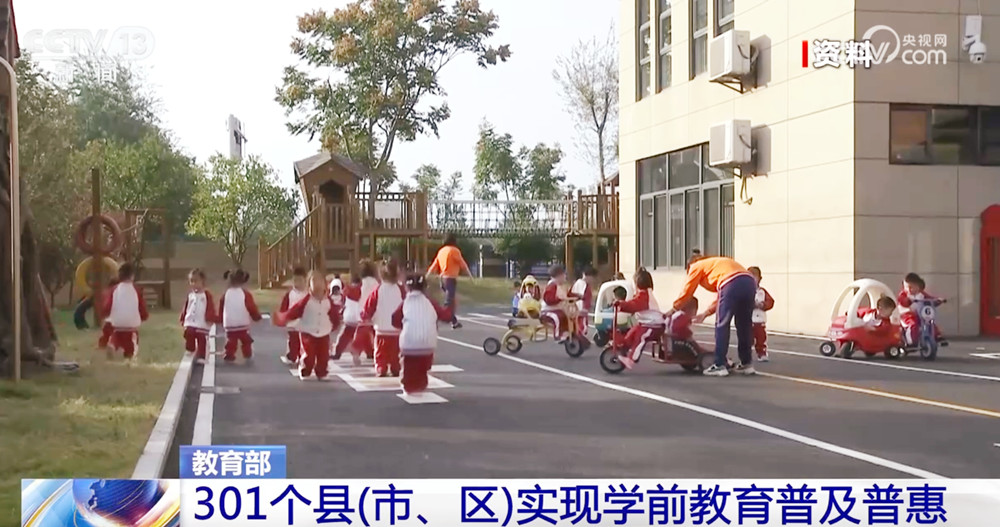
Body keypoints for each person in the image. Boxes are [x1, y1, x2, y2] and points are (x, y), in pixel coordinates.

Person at [670, 255, 756, 377]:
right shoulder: (717, 265)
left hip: (731, 283)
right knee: (744, 325)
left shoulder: (696, 265)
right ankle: (747, 363)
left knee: (722, 324)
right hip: (749, 282)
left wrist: (674, 308)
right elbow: (721, 297)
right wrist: (705, 314)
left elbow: (687, 291)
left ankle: (719, 364)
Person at [392, 273, 453, 395]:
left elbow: (395, 319)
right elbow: (446, 316)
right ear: (425, 287)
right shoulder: (430, 302)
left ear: (406, 287)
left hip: (409, 344)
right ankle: (421, 384)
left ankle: (408, 386)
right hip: (428, 345)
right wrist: (450, 304)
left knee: (408, 367)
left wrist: (403, 326)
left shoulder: (405, 303)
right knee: (422, 367)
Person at [278, 270, 342, 381]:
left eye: (320, 281)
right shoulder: (306, 300)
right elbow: (295, 311)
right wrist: (284, 318)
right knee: (309, 354)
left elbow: (334, 314)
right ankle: (305, 370)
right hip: (308, 332)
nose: (317, 284)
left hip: (323, 332)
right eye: (314, 281)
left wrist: (335, 325)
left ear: (325, 285)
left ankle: (322, 372)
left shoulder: (328, 301)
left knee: (323, 355)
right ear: (309, 286)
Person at [361, 260, 406, 377]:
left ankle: (381, 367)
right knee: (395, 351)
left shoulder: (378, 290)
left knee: (381, 351)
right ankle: (395, 367)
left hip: (381, 328)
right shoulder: (401, 290)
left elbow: (370, 305)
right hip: (397, 329)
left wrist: (365, 315)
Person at [612, 268, 664, 369]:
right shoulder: (644, 294)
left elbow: (634, 305)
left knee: (640, 338)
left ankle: (632, 359)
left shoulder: (644, 296)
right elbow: (633, 303)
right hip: (646, 323)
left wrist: (621, 304)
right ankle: (624, 345)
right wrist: (622, 304)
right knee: (633, 331)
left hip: (654, 325)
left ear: (637, 284)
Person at [102, 263, 149, 364]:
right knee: (132, 341)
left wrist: (105, 314)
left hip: (117, 323)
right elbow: (141, 306)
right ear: (132, 276)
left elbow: (107, 306)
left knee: (116, 337)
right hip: (131, 325)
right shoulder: (136, 290)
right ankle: (129, 354)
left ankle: (112, 345)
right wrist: (144, 316)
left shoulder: (114, 289)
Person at [427, 233, 473, 329]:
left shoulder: (441, 251)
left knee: (453, 301)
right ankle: (436, 318)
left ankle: (454, 321)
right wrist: (470, 275)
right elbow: (462, 264)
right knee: (448, 303)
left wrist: (427, 274)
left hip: (442, 279)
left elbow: (434, 264)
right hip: (450, 279)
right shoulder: (454, 250)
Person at [219, 269, 262, 363]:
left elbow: (221, 308)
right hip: (243, 322)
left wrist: (220, 319)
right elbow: (251, 307)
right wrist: (256, 317)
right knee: (246, 340)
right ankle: (247, 354)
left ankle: (229, 354)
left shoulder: (225, 294)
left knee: (231, 340)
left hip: (229, 323)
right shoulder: (245, 294)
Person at [897, 272, 946, 347]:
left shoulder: (921, 294)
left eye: (911, 287)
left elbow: (929, 299)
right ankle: (911, 342)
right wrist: (908, 301)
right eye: (906, 287)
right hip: (907, 315)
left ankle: (937, 336)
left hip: (920, 314)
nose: (909, 289)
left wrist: (937, 300)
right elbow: (902, 300)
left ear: (918, 286)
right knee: (912, 325)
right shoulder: (904, 294)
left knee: (929, 322)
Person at [180, 268, 217, 364]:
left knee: (202, 339)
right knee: (188, 333)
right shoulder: (190, 295)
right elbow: (186, 307)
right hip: (190, 321)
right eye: (191, 281)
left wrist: (210, 317)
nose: (193, 284)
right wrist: (183, 318)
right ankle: (190, 349)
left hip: (202, 322)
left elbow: (210, 307)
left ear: (202, 281)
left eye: (196, 281)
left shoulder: (206, 295)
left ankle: (202, 356)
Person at [277, 267, 309, 366]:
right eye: (295, 280)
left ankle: (303, 357)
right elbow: (284, 307)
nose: (297, 283)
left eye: (300, 280)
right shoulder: (290, 294)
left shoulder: (308, 294)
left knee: (305, 342)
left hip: (305, 323)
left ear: (305, 280)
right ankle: (292, 356)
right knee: (293, 341)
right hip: (292, 323)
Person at [541, 264, 579, 343]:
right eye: (563, 275)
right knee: (557, 317)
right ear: (559, 276)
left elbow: (567, 294)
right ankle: (558, 335)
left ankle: (569, 333)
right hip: (548, 311)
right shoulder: (552, 286)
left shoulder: (560, 286)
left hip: (558, 309)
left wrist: (577, 296)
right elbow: (548, 299)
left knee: (568, 317)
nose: (565, 277)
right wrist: (559, 299)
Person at [351, 259, 380, 360]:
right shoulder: (377, 283)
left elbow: (355, 294)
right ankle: (372, 350)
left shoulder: (361, 283)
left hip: (363, 310)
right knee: (374, 332)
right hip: (375, 311)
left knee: (362, 332)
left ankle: (357, 349)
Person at [747, 266, 775, 362]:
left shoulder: (762, 292)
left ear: (760, 278)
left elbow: (770, 302)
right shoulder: (745, 291)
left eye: (755, 277)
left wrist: (763, 305)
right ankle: (746, 355)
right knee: (747, 339)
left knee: (761, 338)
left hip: (760, 320)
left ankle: (762, 353)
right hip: (748, 320)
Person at [334, 275, 364, 364]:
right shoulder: (362, 290)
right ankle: (361, 353)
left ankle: (338, 352)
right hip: (359, 318)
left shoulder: (348, 290)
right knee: (360, 338)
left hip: (349, 318)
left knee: (344, 337)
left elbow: (343, 301)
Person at [96, 277, 120, 356]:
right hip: (116, 319)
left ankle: (103, 345)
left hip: (108, 319)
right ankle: (111, 345)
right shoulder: (117, 293)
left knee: (106, 333)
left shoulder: (106, 292)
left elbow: (103, 306)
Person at [571, 267, 599, 333]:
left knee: (579, 326)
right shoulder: (583, 285)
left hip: (579, 309)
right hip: (581, 310)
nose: (593, 280)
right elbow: (582, 296)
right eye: (592, 278)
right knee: (582, 328)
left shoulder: (579, 283)